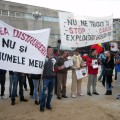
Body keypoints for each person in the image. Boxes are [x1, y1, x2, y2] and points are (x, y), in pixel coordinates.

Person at [40, 46, 56, 112]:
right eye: (49, 50)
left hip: (52, 78)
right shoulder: (43, 58)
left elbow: (56, 67)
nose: (51, 51)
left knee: (50, 93)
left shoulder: (54, 59)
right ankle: (42, 106)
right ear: (46, 51)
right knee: (44, 93)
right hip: (46, 78)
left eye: (51, 50)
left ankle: (48, 105)